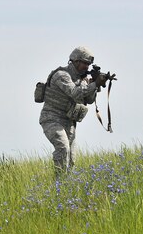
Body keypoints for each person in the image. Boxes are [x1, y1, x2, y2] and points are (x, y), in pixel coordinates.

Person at [38, 46, 109, 176]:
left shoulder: (82, 79)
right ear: (75, 61)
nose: (87, 67)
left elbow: (89, 99)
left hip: (69, 121)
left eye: (89, 64)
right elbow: (74, 93)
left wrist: (95, 85)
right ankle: (58, 184)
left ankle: (65, 187)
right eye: (85, 63)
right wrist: (94, 84)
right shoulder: (61, 75)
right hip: (51, 118)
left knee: (72, 158)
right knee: (63, 147)